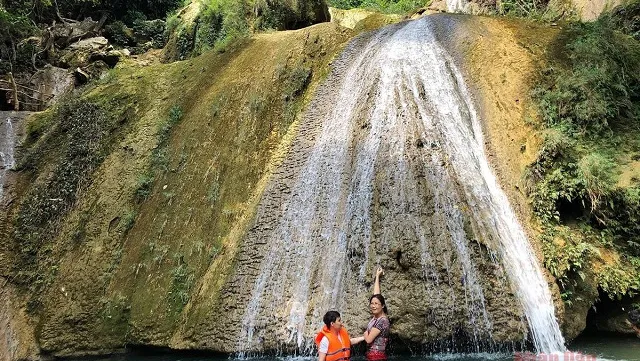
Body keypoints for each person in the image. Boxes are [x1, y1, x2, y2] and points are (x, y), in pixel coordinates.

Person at [362, 267, 390, 361]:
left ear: (382, 306)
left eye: (376, 304)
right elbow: (376, 295)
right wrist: (377, 276)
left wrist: (365, 333)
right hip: (372, 355)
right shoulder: (377, 316)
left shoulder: (382, 321)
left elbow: (369, 340)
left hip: (377, 357)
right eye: (372, 303)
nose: (373, 306)